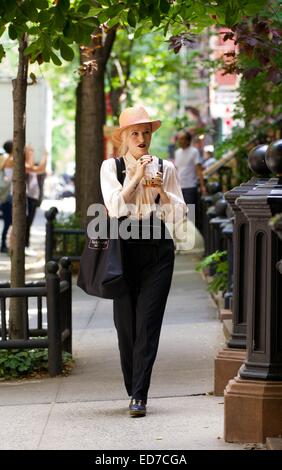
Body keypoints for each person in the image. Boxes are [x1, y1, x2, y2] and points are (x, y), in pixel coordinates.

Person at [100, 105, 187, 417]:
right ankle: (132, 385)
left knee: (148, 325)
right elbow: (114, 209)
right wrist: (135, 177)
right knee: (126, 328)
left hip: (157, 250)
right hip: (123, 249)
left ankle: (139, 395)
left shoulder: (166, 167)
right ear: (124, 137)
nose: (141, 138)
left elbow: (178, 216)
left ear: (151, 135)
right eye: (134, 133)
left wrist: (162, 191)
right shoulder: (110, 168)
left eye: (145, 132)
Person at [0, 141, 13, 253]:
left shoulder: (6, 159)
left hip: (7, 195)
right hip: (8, 196)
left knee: (8, 221)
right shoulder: (10, 160)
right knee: (9, 221)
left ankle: (4, 243)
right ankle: (4, 244)